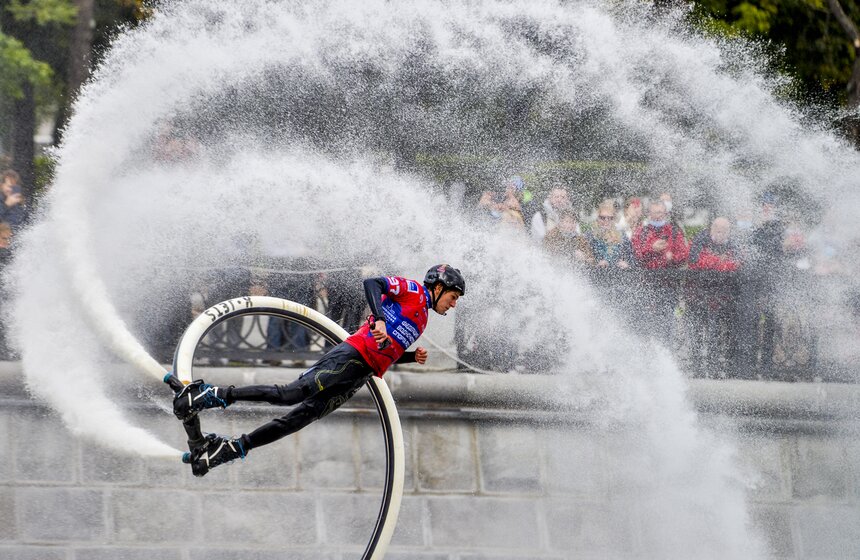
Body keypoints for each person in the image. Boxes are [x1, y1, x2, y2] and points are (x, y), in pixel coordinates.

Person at [172, 264, 466, 476]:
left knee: (295, 420)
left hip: (360, 375)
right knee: (290, 394)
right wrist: (376, 319)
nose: (453, 305)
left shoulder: (423, 319)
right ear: (438, 287)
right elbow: (373, 284)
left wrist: (410, 357)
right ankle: (210, 394)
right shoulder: (413, 290)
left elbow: (388, 349)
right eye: (453, 297)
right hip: (351, 357)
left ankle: (231, 449)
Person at [587, 200, 633, 269]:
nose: (606, 221)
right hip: (597, 274)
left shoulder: (622, 235)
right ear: (597, 218)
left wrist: (626, 264)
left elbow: (632, 258)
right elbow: (585, 259)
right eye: (603, 218)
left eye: (610, 218)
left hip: (618, 274)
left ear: (614, 219)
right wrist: (596, 263)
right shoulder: (590, 235)